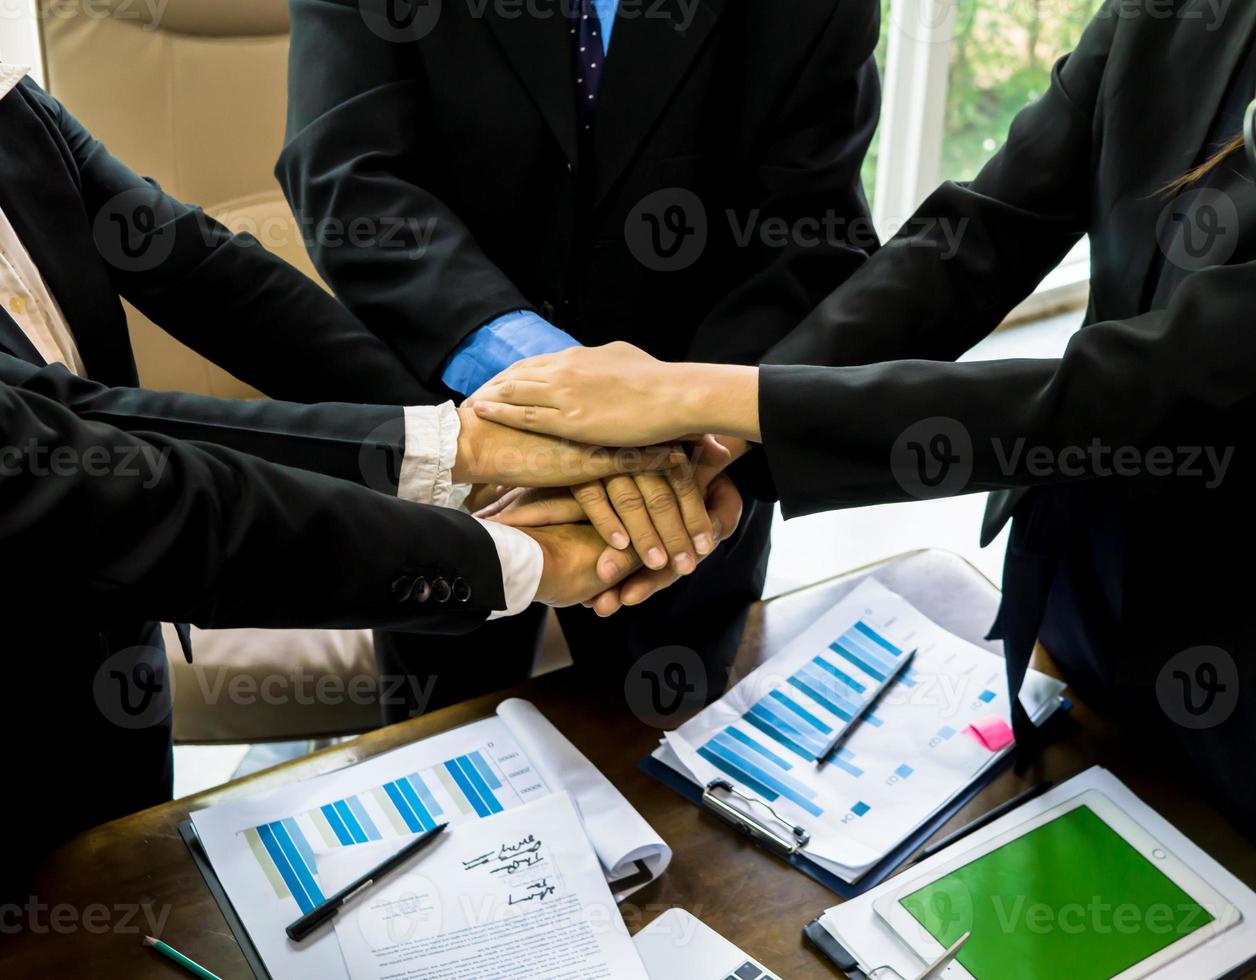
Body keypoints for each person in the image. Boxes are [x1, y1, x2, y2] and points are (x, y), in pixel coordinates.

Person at [468, 2, 1256, 832]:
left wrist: (703, 396)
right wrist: (727, 450)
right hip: (1085, 584)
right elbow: (981, 235)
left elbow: (1152, 387)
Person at [0, 65, 697, 876]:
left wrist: (471, 449)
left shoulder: (15, 105)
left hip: (115, 679)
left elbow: (210, 276)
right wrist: (513, 544)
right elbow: (128, 490)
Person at [278, 0, 883, 712]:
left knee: (660, 762)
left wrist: (687, 429)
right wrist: (552, 387)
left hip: (692, 478)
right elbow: (346, 179)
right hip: (453, 440)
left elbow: (813, 242)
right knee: (445, 747)